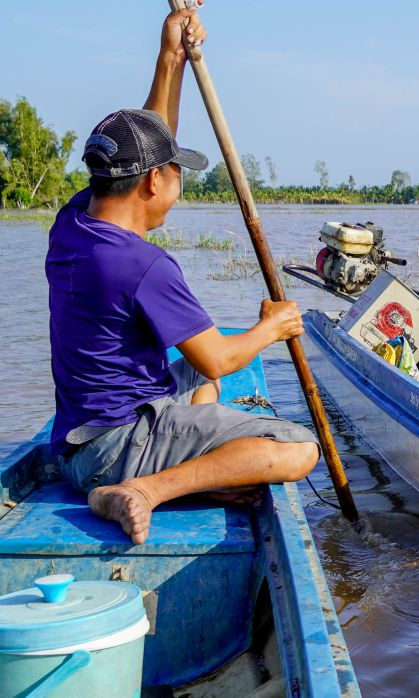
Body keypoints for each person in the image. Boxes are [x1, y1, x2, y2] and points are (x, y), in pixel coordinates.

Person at [46, 4, 319, 546]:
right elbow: (219, 355)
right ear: (152, 184)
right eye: (176, 175)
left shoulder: (74, 223)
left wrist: (170, 56)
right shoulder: (143, 264)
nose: (181, 185)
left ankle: (188, 474)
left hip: (76, 444)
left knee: (199, 381)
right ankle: (146, 490)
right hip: (117, 447)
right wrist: (274, 326)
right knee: (297, 448)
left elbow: (151, 137)